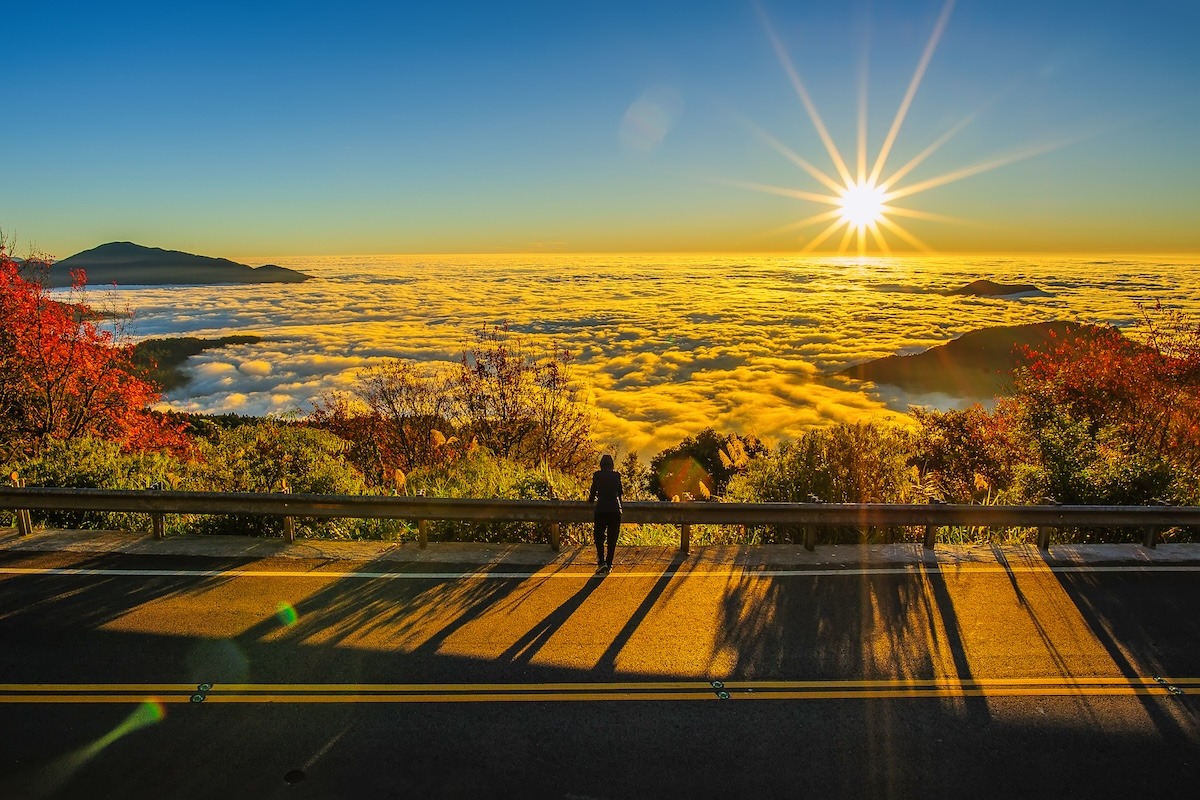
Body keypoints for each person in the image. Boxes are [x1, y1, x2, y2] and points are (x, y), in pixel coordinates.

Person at [588, 453, 623, 573]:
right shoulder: (617, 475)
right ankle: (609, 564)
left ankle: (601, 562)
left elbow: (593, 492)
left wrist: (590, 501)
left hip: (601, 509)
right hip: (615, 510)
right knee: (612, 539)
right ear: (612, 465)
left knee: (599, 537)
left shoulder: (597, 475)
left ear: (601, 465)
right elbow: (620, 493)